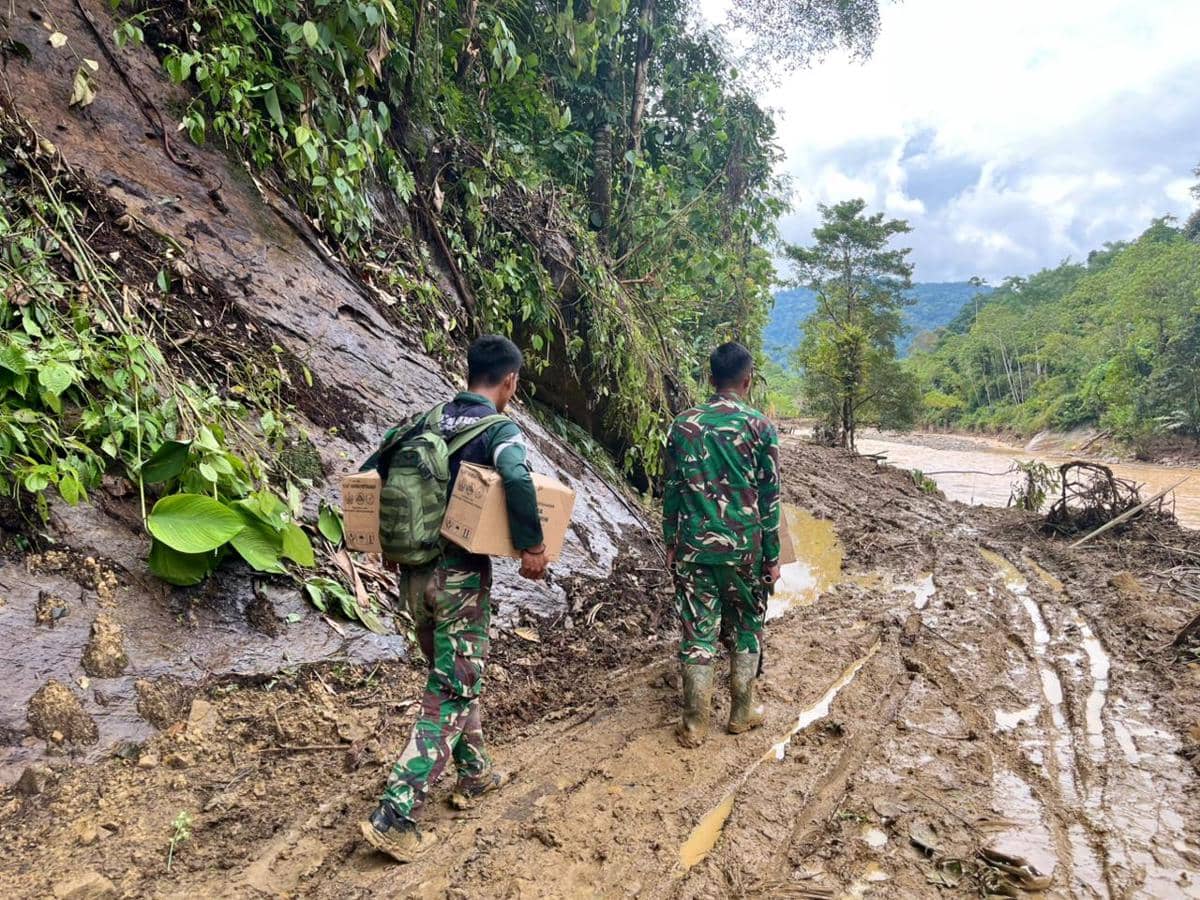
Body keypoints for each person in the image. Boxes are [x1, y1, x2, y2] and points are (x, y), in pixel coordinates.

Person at [360, 334, 548, 862]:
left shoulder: (421, 421)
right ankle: (395, 812)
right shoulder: (499, 430)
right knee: (452, 688)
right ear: (509, 381)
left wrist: (386, 541)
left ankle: (476, 773)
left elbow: (370, 472)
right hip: (459, 579)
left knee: (451, 680)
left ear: (470, 373)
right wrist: (532, 547)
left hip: (413, 578)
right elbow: (516, 478)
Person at [663, 341, 781, 748]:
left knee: (698, 632)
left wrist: (671, 542)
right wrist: (773, 556)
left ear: (710, 379)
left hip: (694, 547)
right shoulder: (761, 427)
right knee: (747, 626)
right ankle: (741, 714)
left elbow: (673, 491)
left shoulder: (682, 425)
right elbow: (770, 498)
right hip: (746, 550)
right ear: (748, 381)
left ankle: (694, 725)